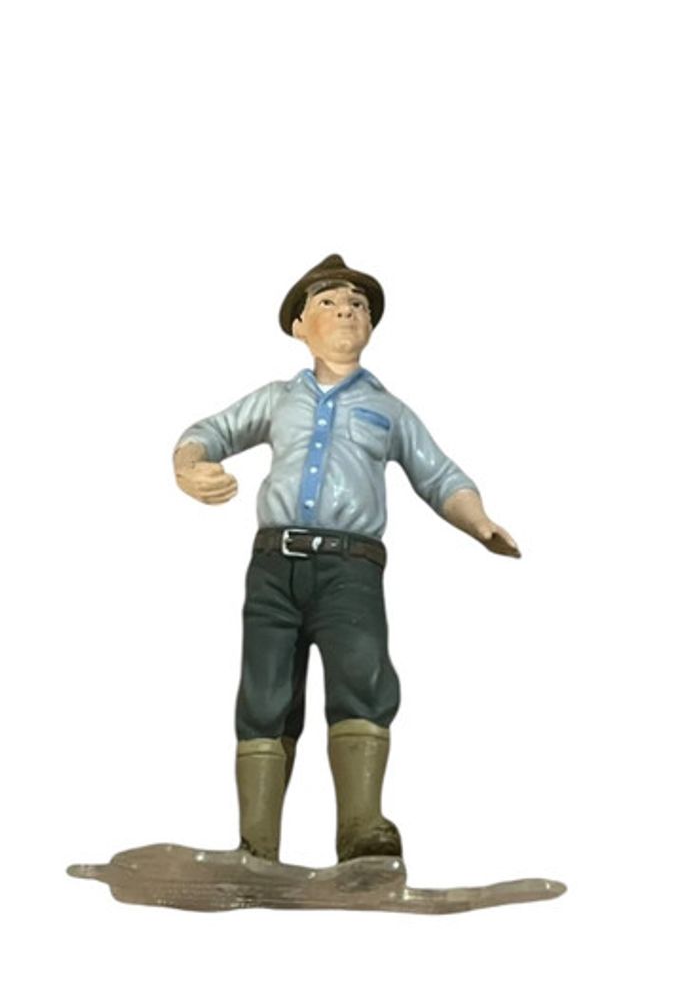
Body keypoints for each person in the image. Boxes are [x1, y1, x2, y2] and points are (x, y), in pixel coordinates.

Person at [173, 254, 519, 865]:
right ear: (299, 325)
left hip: (351, 571)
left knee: (363, 679)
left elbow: (438, 474)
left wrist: (478, 520)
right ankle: (257, 847)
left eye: (358, 305)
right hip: (273, 568)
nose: (346, 312)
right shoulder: (277, 400)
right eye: (329, 303)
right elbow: (211, 430)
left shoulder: (389, 410)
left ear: (371, 326)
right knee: (264, 692)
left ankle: (361, 830)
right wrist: (189, 464)